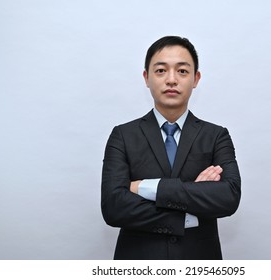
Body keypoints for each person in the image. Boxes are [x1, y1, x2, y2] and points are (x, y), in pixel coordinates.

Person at [101, 36, 241, 260]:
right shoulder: (123, 136)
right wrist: (191, 207)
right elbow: (114, 207)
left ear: (196, 79)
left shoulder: (216, 136)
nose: (172, 80)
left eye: (183, 71)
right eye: (161, 71)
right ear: (146, 77)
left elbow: (228, 197)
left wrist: (146, 188)